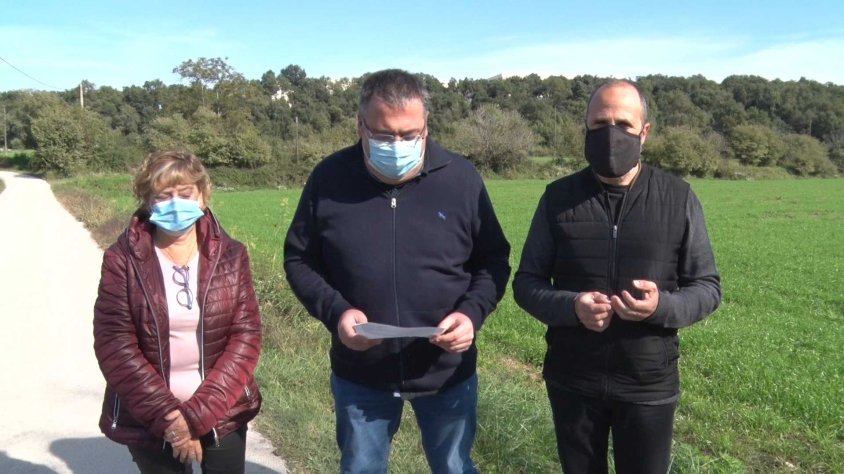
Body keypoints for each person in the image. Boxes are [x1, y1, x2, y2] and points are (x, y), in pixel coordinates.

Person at [284, 69, 511, 473]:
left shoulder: (461, 179)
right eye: (385, 135)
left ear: (426, 125)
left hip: (445, 371)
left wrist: (471, 314)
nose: (398, 144)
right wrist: (337, 313)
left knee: (455, 467)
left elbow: (493, 260)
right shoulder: (329, 179)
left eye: (410, 134)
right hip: (361, 373)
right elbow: (299, 259)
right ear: (360, 125)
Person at [512, 80, 721, 473]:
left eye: (624, 124)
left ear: (645, 132)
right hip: (572, 380)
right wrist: (572, 307)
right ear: (586, 128)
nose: (611, 135)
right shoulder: (558, 198)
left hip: (648, 384)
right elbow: (526, 283)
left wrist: (660, 307)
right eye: (599, 124)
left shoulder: (678, 198)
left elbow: (707, 288)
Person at [93, 151, 262, 474]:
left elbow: (246, 336)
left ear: (202, 196)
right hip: (149, 415)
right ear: (147, 201)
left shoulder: (232, 255)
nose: (175, 204)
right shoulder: (121, 260)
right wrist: (171, 419)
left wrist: (196, 417)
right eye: (163, 196)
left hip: (223, 409)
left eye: (185, 194)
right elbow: (114, 344)